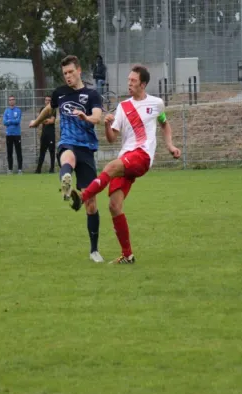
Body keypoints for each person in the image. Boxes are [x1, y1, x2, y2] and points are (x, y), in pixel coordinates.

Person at [69, 65, 181, 264]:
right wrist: (106, 125)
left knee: (109, 168)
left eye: (133, 81)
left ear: (143, 84)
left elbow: (164, 123)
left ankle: (82, 196)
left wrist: (170, 145)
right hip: (126, 156)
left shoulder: (156, 103)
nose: (129, 84)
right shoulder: (123, 107)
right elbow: (112, 138)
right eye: (128, 80)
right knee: (114, 206)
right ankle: (127, 255)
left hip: (142, 156)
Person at [29, 55, 104, 263]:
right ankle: (66, 184)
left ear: (79, 70)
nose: (68, 76)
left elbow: (97, 117)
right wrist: (37, 121)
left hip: (86, 149)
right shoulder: (60, 94)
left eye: (71, 72)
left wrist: (86, 117)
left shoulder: (91, 95)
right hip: (68, 142)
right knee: (67, 159)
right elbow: (49, 109)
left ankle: (94, 250)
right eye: (65, 74)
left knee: (91, 204)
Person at [35, 95, 57, 174]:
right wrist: (44, 120)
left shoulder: (53, 110)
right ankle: (38, 169)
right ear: (44, 101)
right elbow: (39, 120)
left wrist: (44, 119)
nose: (47, 101)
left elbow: (51, 121)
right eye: (46, 100)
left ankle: (52, 169)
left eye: (49, 100)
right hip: (44, 134)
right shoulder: (42, 110)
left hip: (51, 134)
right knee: (42, 152)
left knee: (52, 152)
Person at [3, 95, 23, 174]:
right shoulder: (6, 111)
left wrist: (9, 121)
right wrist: (12, 121)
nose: (11, 101)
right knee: (9, 152)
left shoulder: (18, 110)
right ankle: (10, 169)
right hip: (9, 135)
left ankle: (20, 169)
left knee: (18, 152)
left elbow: (17, 121)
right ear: (8, 101)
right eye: (10, 100)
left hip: (17, 134)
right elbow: (4, 122)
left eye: (13, 99)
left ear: (15, 101)